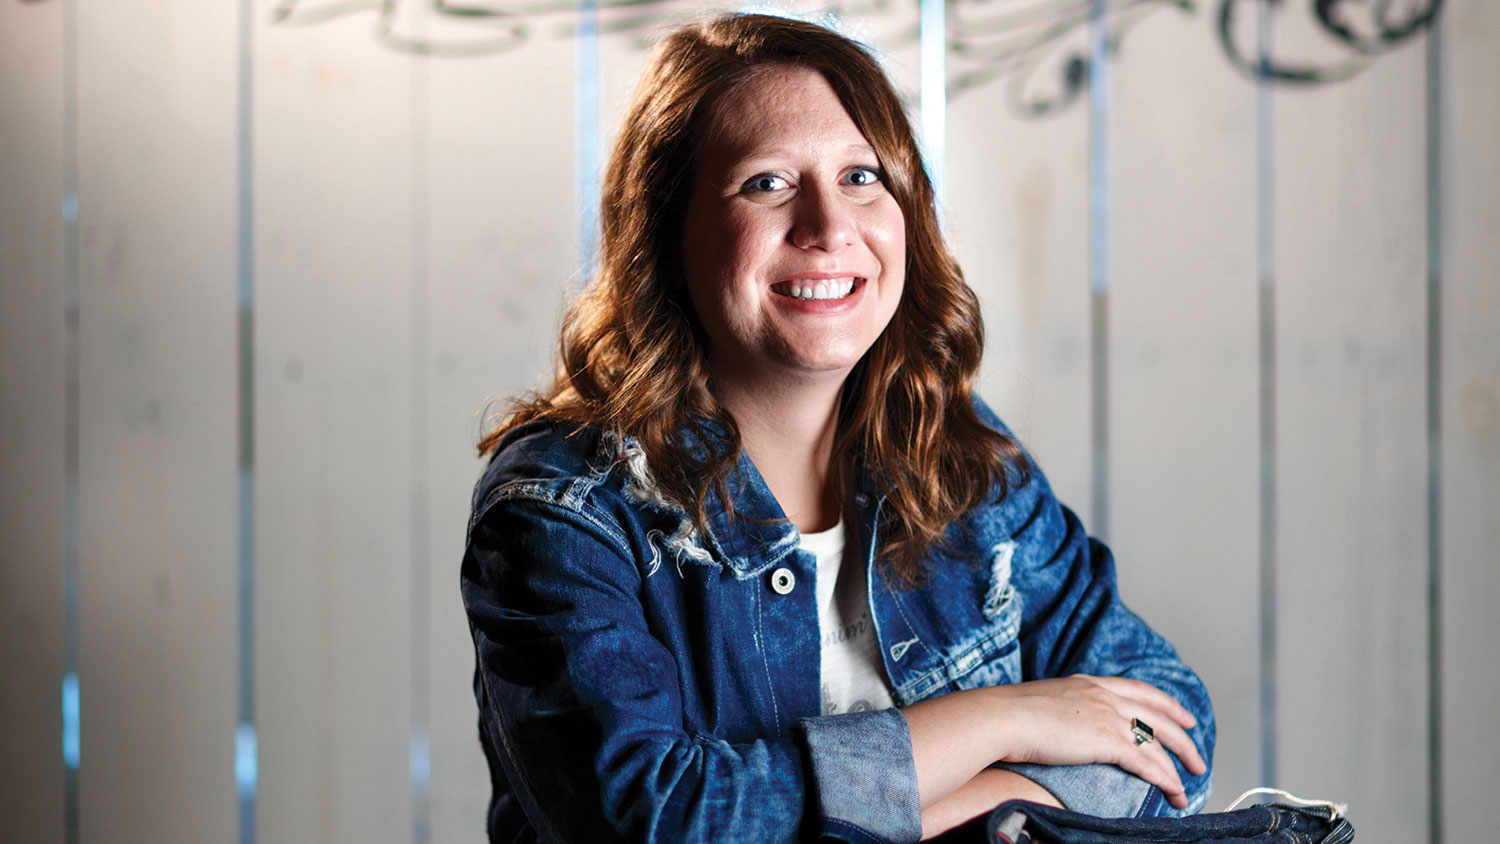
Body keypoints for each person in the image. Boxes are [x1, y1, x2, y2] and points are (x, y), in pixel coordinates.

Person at [461, 12, 1213, 843]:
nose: (827, 228)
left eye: (862, 177)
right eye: (767, 183)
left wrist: (951, 798)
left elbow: (1166, 719)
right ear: (667, 233)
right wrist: (1005, 722)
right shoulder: (564, 510)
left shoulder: (959, 464)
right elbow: (658, 818)